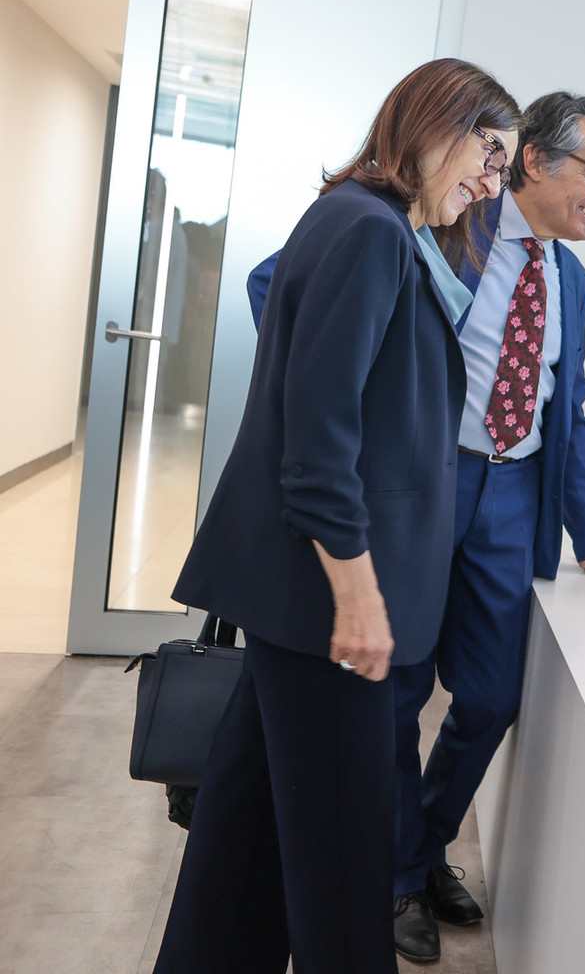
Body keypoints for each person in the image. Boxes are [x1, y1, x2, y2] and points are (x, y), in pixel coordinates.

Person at [153, 58, 520, 974]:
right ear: (436, 121)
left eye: (504, 169)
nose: (492, 184)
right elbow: (318, 443)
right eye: (490, 154)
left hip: (304, 603)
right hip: (327, 610)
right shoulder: (367, 230)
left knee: (242, 848)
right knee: (344, 881)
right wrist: (358, 600)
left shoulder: (376, 226)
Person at [388, 91, 585, 962]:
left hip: (513, 494)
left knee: (493, 698)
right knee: (400, 691)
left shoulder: (571, 279)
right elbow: (285, 286)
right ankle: (397, 875)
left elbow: (566, 410)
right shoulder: (451, 219)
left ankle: (422, 847)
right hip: (430, 485)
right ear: (535, 160)